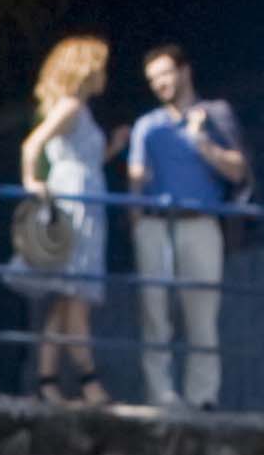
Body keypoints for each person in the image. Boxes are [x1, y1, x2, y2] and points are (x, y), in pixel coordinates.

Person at [120, 45, 252, 414]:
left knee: (202, 314)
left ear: (184, 71)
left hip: (200, 223)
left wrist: (201, 142)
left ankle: (203, 396)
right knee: (154, 312)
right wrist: (136, 226)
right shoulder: (147, 126)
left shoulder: (214, 116)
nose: (159, 83)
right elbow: (135, 181)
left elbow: (238, 170)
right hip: (155, 223)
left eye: (165, 74)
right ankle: (160, 393)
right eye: (152, 79)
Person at [15, 38, 115, 402]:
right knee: (76, 296)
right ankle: (91, 383)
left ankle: (48, 382)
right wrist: (32, 182)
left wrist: (111, 148)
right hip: (76, 202)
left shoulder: (77, 110)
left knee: (64, 300)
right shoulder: (72, 106)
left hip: (84, 196)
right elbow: (33, 144)